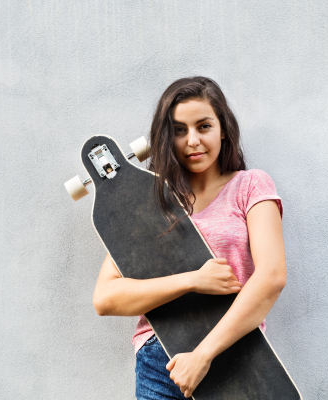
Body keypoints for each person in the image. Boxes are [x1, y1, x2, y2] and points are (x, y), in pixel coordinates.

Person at [92, 76, 287, 399]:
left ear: (223, 129)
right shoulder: (151, 204)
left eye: (203, 126)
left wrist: (202, 355)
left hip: (238, 358)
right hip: (160, 363)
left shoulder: (250, 185)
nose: (192, 140)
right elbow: (106, 298)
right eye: (179, 130)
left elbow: (272, 277)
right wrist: (193, 280)